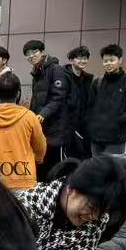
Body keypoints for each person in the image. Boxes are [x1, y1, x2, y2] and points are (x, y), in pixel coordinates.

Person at [0, 73, 47, 191]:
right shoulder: (29, 117)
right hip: (24, 181)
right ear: (18, 94)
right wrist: (37, 159)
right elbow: (41, 146)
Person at [23, 40, 74, 176]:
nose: (31, 56)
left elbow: (59, 97)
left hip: (57, 128)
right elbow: (36, 100)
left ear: (42, 52)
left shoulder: (56, 69)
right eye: (28, 54)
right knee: (43, 166)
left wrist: (43, 114)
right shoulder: (37, 72)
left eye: (34, 52)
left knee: (59, 169)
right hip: (42, 128)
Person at [81, 43, 126, 156]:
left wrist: (119, 121)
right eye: (105, 61)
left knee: (113, 166)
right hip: (96, 137)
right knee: (97, 166)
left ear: (120, 60)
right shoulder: (97, 82)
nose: (108, 63)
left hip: (116, 137)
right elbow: (89, 108)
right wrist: (90, 125)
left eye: (112, 60)